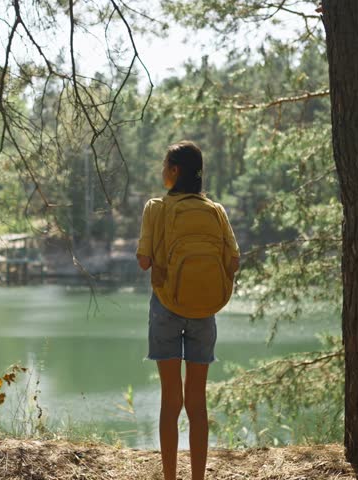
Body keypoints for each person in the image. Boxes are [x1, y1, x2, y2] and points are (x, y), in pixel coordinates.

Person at [136, 140, 240, 480]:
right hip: (204, 311)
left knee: (171, 402)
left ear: (174, 171)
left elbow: (143, 262)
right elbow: (234, 262)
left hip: (166, 307)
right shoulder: (216, 211)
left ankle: (170, 478)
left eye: (165, 165)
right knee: (197, 403)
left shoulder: (156, 207)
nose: (161, 171)